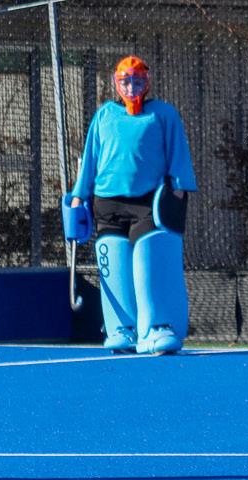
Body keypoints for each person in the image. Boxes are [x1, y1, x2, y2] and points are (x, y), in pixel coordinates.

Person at [64, 55, 197, 354]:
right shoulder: (104, 115)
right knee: (113, 264)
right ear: (116, 83)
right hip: (107, 204)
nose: (132, 87)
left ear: (147, 83)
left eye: (138, 81)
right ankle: (121, 328)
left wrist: (178, 188)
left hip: (148, 204)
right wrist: (79, 195)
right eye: (126, 81)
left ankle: (157, 326)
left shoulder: (163, 114)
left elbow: (178, 154)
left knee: (149, 259)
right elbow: (91, 158)